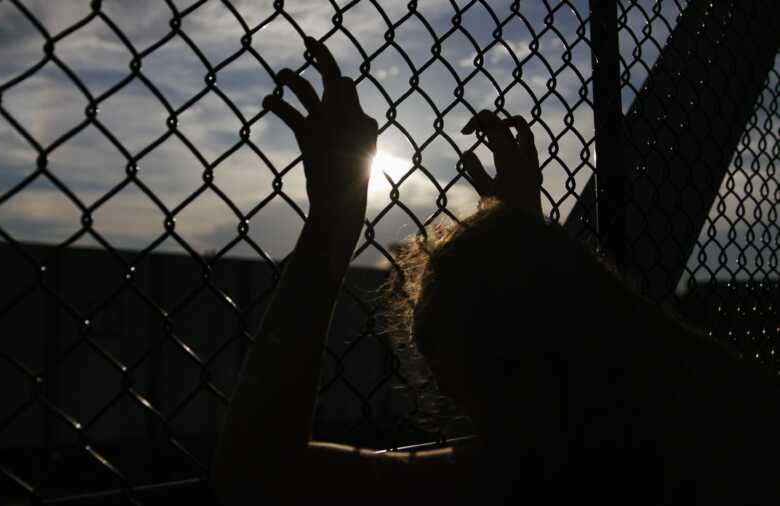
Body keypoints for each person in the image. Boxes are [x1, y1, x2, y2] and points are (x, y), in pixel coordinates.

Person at [211, 37, 780, 505]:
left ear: (458, 374)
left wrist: (333, 221)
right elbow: (543, 311)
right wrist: (524, 237)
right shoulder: (725, 407)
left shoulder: (526, 474)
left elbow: (259, 473)